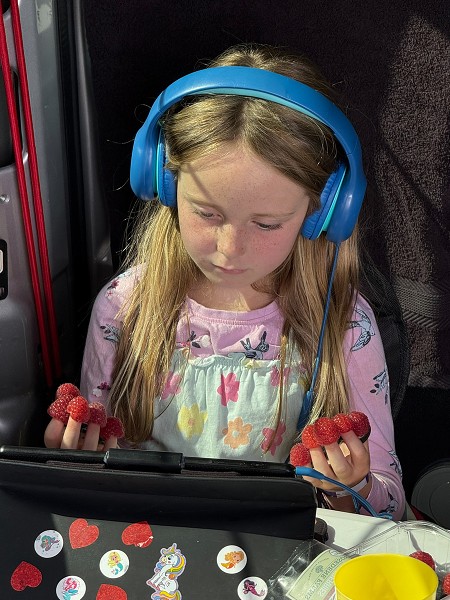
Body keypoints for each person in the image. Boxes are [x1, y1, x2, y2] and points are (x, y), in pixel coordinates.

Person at [45, 43, 405, 520]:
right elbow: (95, 484)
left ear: (324, 212)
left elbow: (390, 505)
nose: (230, 248)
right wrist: (75, 459)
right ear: (165, 184)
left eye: (267, 224)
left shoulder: (343, 323)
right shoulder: (125, 307)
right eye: (207, 213)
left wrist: (351, 486)